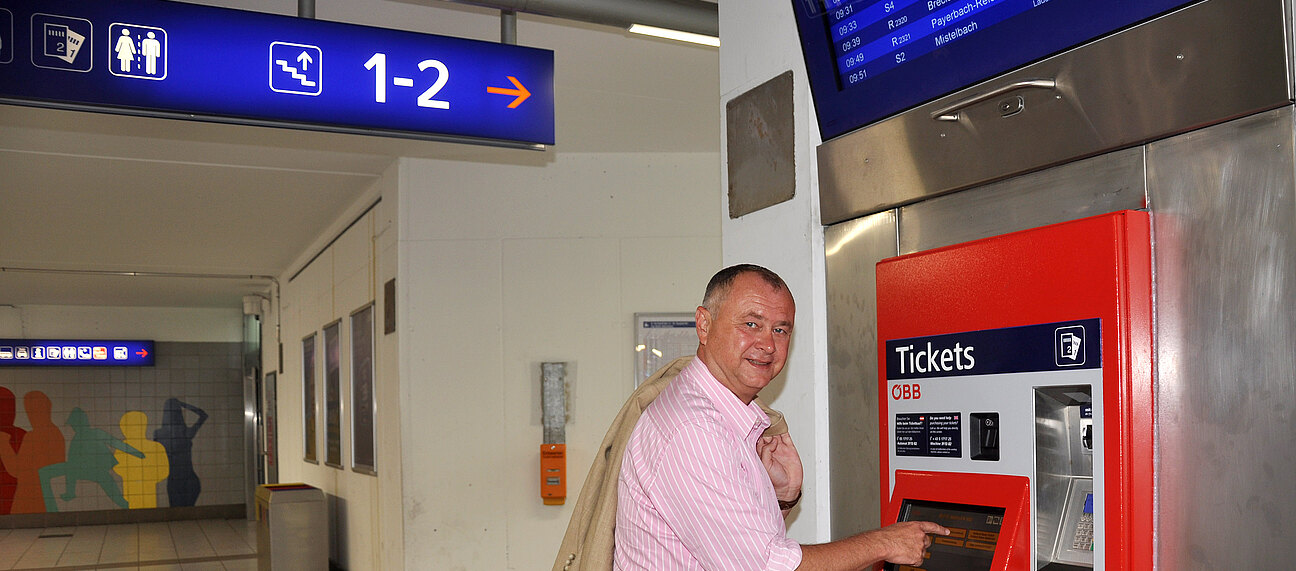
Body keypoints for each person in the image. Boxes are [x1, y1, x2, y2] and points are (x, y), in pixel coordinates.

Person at [614, 264, 948, 570]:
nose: (767, 345)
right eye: (751, 324)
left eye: (781, 330)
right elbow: (765, 566)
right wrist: (885, 542)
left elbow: (733, 544)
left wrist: (781, 497)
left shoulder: (726, 416)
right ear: (704, 324)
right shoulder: (696, 430)